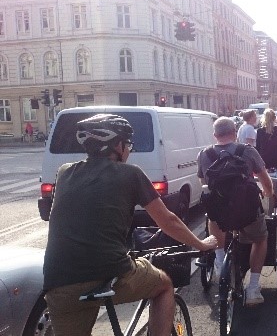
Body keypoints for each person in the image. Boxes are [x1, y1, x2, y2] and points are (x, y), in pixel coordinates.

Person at [43, 114, 217, 336]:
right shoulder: (130, 173)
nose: (129, 151)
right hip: (110, 271)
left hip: (58, 280)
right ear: (118, 145)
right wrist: (200, 243)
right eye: (128, 145)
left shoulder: (64, 172)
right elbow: (168, 221)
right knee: (164, 285)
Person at [197, 116, 274, 306]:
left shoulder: (204, 154)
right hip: (246, 209)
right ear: (234, 133)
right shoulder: (247, 151)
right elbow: (264, 179)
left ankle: (220, 259)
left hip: (220, 212)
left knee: (212, 218)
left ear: (215, 135)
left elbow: (203, 183)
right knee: (260, 239)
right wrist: (268, 193)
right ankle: (254, 288)